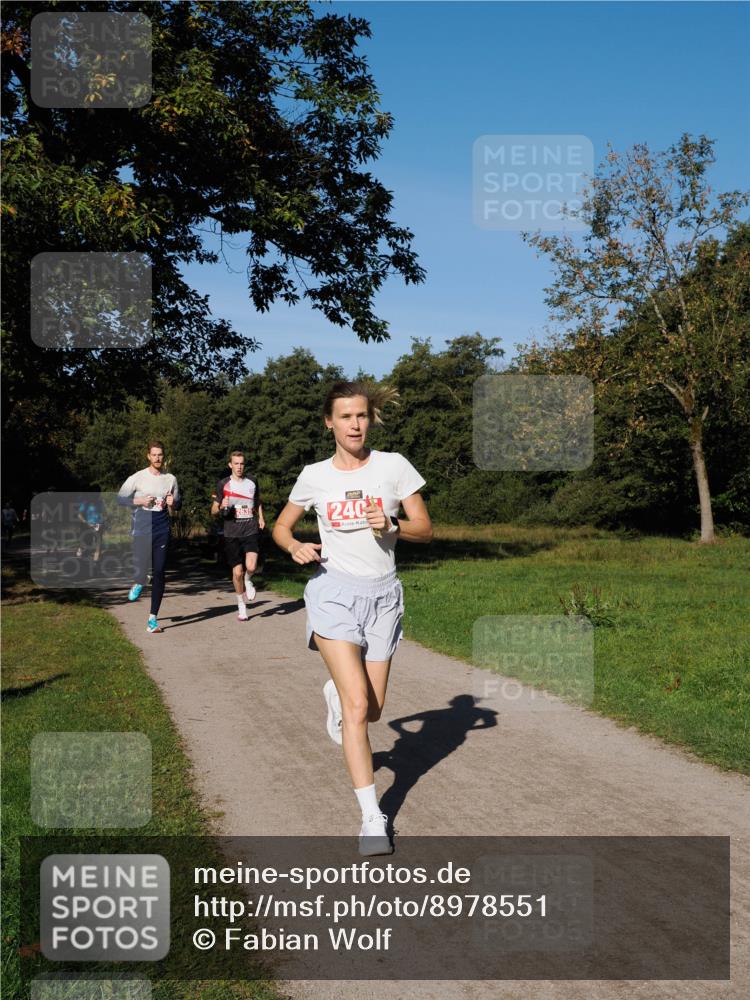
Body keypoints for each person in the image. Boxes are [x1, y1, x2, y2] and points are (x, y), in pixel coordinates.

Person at [272, 381, 432, 856]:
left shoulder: (394, 467)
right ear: (330, 422)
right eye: (345, 417)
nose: (355, 424)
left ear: (371, 420)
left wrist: (395, 526)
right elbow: (281, 526)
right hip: (334, 594)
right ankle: (371, 818)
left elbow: (425, 528)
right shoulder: (314, 476)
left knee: (373, 709)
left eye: (361, 416)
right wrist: (294, 544)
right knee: (359, 708)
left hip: (384, 598)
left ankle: (338, 697)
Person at [117, 441, 181, 633]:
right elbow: (120, 498)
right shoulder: (138, 477)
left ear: (164, 456)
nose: (157, 458)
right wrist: (139, 500)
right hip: (142, 526)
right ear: (148, 456)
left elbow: (177, 505)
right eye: (154, 455)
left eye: (160, 455)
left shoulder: (171, 479)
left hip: (162, 527)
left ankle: (152, 619)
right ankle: (138, 579)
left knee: (160, 571)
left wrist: (173, 502)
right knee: (141, 567)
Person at [211, 450, 265, 621]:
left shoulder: (252, 481)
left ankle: (249, 581)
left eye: (242, 463)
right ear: (230, 465)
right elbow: (212, 511)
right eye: (236, 463)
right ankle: (241, 606)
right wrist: (220, 506)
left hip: (250, 528)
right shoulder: (223, 484)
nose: (239, 467)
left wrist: (261, 517)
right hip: (231, 532)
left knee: (250, 567)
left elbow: (257, 501)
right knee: (237, 573)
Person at [76, 495, 105, 561]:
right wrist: (85, 522)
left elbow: (103, 513)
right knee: (88, 542)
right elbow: (79, 515)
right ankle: (82, 551)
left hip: (98, 525)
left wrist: (101, 522)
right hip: (87, 525)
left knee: (98, 541)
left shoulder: (100, 503)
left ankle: (96, 560)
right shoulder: (85, 503)